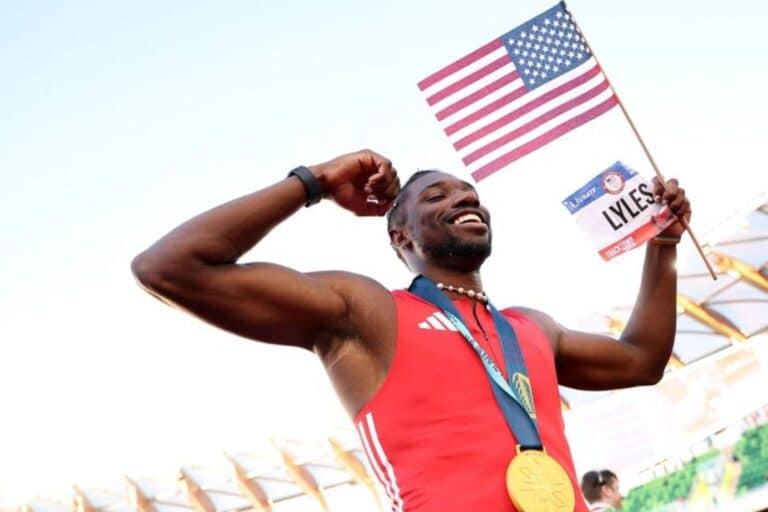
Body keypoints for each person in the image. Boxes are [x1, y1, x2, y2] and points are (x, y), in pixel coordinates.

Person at [132, 150, 691, 512]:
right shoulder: (367, 311)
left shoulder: (531, 328)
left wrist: (663, 246)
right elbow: (170, 268)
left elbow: (641, 360)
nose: (465, 198)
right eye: (436, 196)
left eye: (469, 192)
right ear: (400, 239)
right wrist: (314, 182)